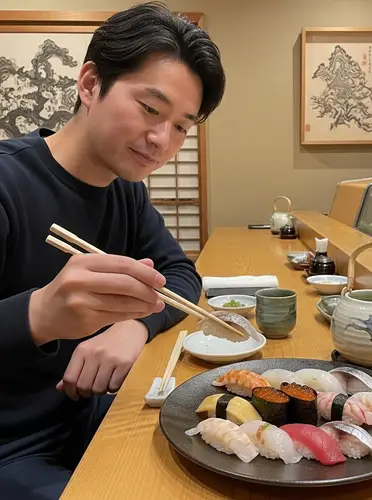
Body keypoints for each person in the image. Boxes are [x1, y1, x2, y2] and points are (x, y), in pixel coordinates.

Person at [0, 2, 225, 498]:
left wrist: (133, 325)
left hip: (94, 415)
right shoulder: (8, 184)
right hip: (13, 449)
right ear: (89, 83)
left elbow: (180, 276)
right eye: (150, 108)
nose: (162, 140)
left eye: (183, 125)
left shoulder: (124, 189)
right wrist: (38, 314)